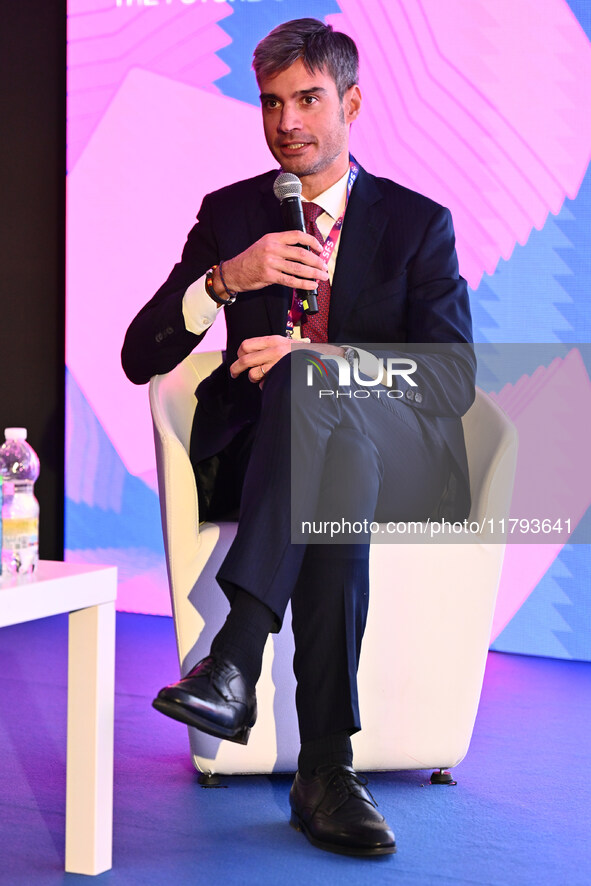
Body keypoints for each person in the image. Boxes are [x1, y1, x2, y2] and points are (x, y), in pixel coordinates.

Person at [122, 18, 475, 858]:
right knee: (323, 443)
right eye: (272, 103)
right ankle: (325, 768)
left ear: (350, 103)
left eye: (308, 99)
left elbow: (452, 380)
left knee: (323, 406)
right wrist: (223, 280)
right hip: (258, 461)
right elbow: (140, 355)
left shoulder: (417, 223)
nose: (288, 123)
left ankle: (234, 658)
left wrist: (324, 361)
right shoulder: (230, 214)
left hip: (384, 455)